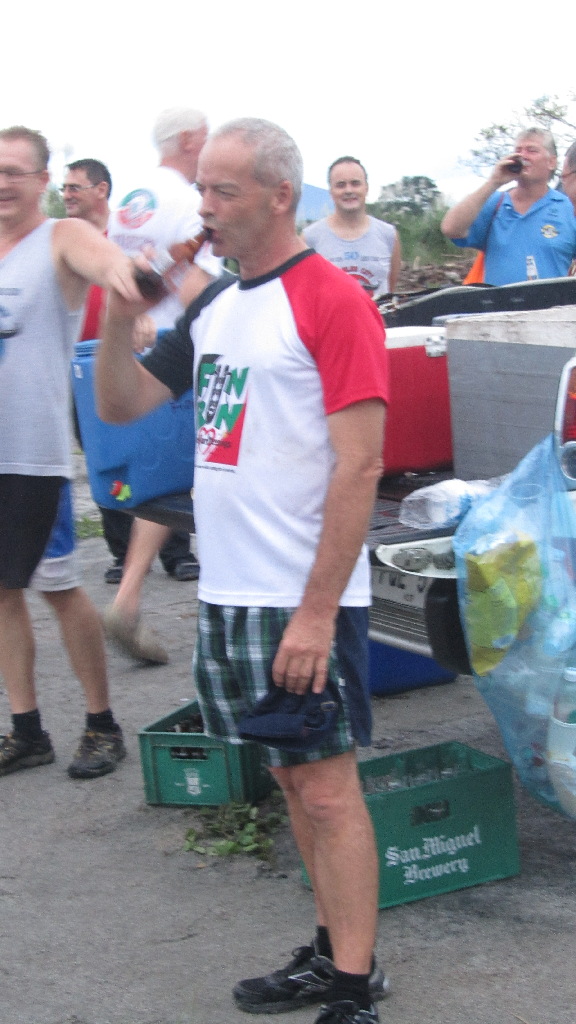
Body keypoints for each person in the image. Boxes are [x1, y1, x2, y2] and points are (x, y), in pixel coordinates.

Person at [97, 117, 390, 1024]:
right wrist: (120, 311)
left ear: (278, 196)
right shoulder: (216, 305)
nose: (206, 208)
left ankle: (356, 985)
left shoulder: (332, 299)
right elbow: (121, 404)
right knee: (293, 779)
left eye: (224, 191)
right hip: (229, 590)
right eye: (203, 190)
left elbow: (362, 467)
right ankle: (328, 951)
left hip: (301, 596)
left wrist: (316, 613)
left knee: (330, 789)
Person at [0, 125, 139, 778]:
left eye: (14, 171)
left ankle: (101, 724)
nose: (2, 182)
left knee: (57, 588)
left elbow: (106, 260)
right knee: (1, 594)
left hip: (33, 458)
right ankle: (27, 730)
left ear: (41, 181)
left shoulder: (61, 237)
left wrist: (127, 286)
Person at [103, 107, 221, 664]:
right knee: (211, 472)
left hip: (137, 346)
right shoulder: (185, 202)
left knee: (163, 479)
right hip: (184, 348)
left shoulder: (132, 199)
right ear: (191, 139)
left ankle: (128, 597)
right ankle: (219, 607)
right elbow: (203, 282)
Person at [63, 158, 198, 595]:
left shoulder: (121, 240)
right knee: (106, 459)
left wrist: (135, 317)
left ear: (102, 190)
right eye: (64, 188)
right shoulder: (60, 242)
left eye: (75, 187)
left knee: (159, 450)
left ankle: (176, 552)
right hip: (83, 365)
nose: (67, 195)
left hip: (136, 357)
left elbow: (149, 284)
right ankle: (122, 555)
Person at [441, 127, 576, 285]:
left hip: (549, 301)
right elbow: (450, 229)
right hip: (498, 301)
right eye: (518, 150)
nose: (522, 156)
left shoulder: (567, 207)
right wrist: (494, 182)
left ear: (551, 162)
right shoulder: (495, 203)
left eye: (531, 150)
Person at [302, 155, 401, 297]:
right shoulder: (310, 238)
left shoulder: (388, 235)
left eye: (355, 183)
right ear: (331, 192)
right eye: (341, 185)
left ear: (366, 188)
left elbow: (390, 288)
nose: (348, 190)